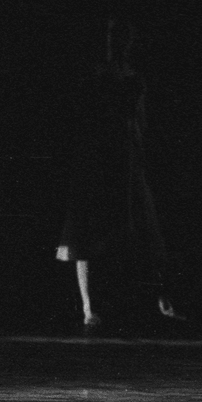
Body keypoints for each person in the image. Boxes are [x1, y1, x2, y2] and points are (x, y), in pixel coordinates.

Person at [55, 18, 168, 332]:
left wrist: (138, 150)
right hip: (96, 155)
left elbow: (140, 119)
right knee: (86, 231)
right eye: (112, 36)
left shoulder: (133, 76)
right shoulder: (93, 75)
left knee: (131, 225)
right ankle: (88, 305)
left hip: (125, 154)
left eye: (123, 36)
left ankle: (136, 300)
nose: (117, 42)